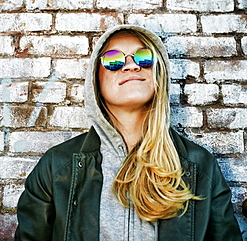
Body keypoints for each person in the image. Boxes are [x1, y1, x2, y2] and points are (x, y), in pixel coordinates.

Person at [15, 24, 242, 240]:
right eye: (113, 60)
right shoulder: (57, 166)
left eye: (144, 58)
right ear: (96, 80)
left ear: (158, 73)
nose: (132, 66)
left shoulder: (200, 166)